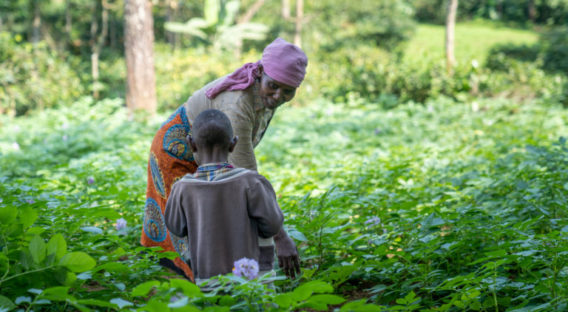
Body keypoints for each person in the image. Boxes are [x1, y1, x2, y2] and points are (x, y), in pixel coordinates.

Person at [141, 37, 307, 281]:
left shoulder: (260, 92)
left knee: (212, 218)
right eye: (273, 86)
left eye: (287, 91)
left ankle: (214, 282)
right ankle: (184, 289)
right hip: (176, 153)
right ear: (260, 72)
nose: (278, 95)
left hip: (208, 154)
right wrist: (280, 238)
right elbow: (248, 179)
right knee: (188, 225)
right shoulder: (237, 105)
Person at [164, 109, 283, 280]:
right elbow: (273, 225)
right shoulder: (252, 182)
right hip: (251, 286)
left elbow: (176, 227)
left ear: (192, 144)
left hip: (208, 282)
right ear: (234, 144)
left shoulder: (182, 188)